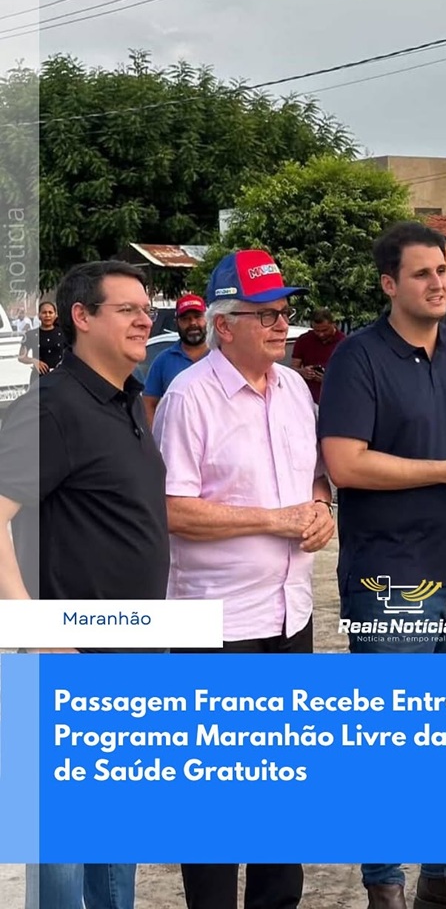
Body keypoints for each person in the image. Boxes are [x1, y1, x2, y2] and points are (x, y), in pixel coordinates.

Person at [319, 220, 446, 909]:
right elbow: (346, 464)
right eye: (422, 273)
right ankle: (385, 884)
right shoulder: (358, 357)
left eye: (443, 270)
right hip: (392, 577)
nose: (438, 283)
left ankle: (442, 872)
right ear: (389, 284)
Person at [153, 249, 335, 909]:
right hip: (217, 625)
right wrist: (275, 520)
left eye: (284, 312)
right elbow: (170, 510)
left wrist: (321, 507)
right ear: (224, 326)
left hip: (290, 615)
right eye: (267, 315)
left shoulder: (294, 392)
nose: (282, 325)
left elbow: (314, 477)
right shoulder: (188, 398)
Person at [0, 260, 169, 909]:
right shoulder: (53, 408)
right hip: (70, 658)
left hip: (132, 652)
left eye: (145, 308)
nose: (144, 319)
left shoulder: (128, 401)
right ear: (81, 317)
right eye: (127, 309)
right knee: (64, 855)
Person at [142, 292, 209, 428]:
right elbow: (148, 403)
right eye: (185, 319)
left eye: (197, 317)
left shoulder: (224, 356)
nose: (193, 323)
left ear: (208, 319)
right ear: (176, 322)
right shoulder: (163, 361)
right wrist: (155, 438)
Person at [291, 306, 345, 404]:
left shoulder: (344, 343)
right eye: (316, 330)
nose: (321, 334)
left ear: (333, 324)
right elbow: (293, 369)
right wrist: (302, 372)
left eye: (325, 330)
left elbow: (351, 376)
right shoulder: (304, 340)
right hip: (308, 399)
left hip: (336, 399)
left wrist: (329, 379)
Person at [18, 299, 66, 384]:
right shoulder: (31, 335)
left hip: (60, 376)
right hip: (39, 377)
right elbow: (21, 357)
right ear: (39, 315)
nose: (47, 315)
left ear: (55, 315)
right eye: (44, 313)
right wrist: (34, 361)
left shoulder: (63, 333)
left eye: (50, 312)